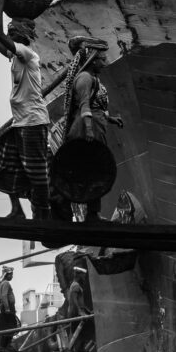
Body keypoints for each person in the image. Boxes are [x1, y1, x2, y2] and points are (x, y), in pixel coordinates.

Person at [0, 0, 52, 219]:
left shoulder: (27, 53)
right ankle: (16, 209)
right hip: (21, 121)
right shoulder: (16, 56)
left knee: (36, 172)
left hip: (33, 121)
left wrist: (1, 1)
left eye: (13, 33)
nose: (9, 37)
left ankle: (43, 213)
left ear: (22, 35)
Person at [59, 36, 124, 222]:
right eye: (102, 59)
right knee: (89, 169)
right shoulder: (85, 78)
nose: (105, 63)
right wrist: (88, 129)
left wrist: (111, 119)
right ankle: (84, 212)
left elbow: (96, 107)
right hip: (88, 129)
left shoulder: (92, 78)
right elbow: (84, 105)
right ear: (93, 59)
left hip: (96, 125)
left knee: (94, 169)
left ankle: (93, 212)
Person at [0, 266, 18, 348]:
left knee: (5, 326)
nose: (12, 276)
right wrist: (7, 308)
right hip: (8, 307)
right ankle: (8, 345)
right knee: (11, 325)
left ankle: (4, 345)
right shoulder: (6, 283)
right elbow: (4, 296)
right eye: (11, 274)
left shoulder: (0, 284)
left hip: (3, 306)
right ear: (7, 275)